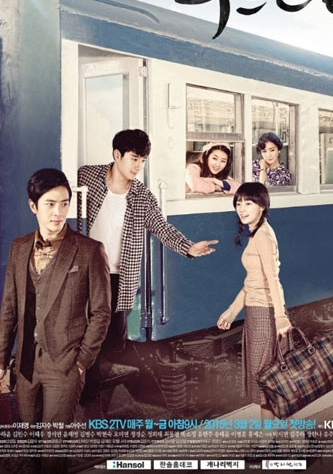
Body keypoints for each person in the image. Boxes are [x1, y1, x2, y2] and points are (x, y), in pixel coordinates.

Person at [0, 169, 111, 464]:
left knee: (53, 452)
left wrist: (81, 362)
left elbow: (101, 312)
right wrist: (1, 361)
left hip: (65, 365)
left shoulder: (89, 251)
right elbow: (9, 308)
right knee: (31, 447)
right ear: (33, 206)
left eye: (64, 204)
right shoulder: (19, 247)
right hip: (25, 364)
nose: (58, 212)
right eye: (50, 204)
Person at [78, 129, 217, 352]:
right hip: (85, 273)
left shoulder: (142, 196)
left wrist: (188, 247)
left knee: (113, 343)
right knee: (82, 335)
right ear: (117, 155)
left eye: (142, 161)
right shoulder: (87, 177)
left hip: (118, 276)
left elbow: (161, 227)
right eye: (134, 159)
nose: (138, 166)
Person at [217, 182, 291, 421]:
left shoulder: (263, 236)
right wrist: (232, 311)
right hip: (257, 311)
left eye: (248, 203)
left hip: (265, 313)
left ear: (262, 206)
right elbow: (253, 282)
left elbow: (272, 279)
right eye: (239, 203)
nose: (242, 209)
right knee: (270, 379)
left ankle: (273, 438)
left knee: (266, 379)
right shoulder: (257, 233)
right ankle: (284, 437)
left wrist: (280, 317)